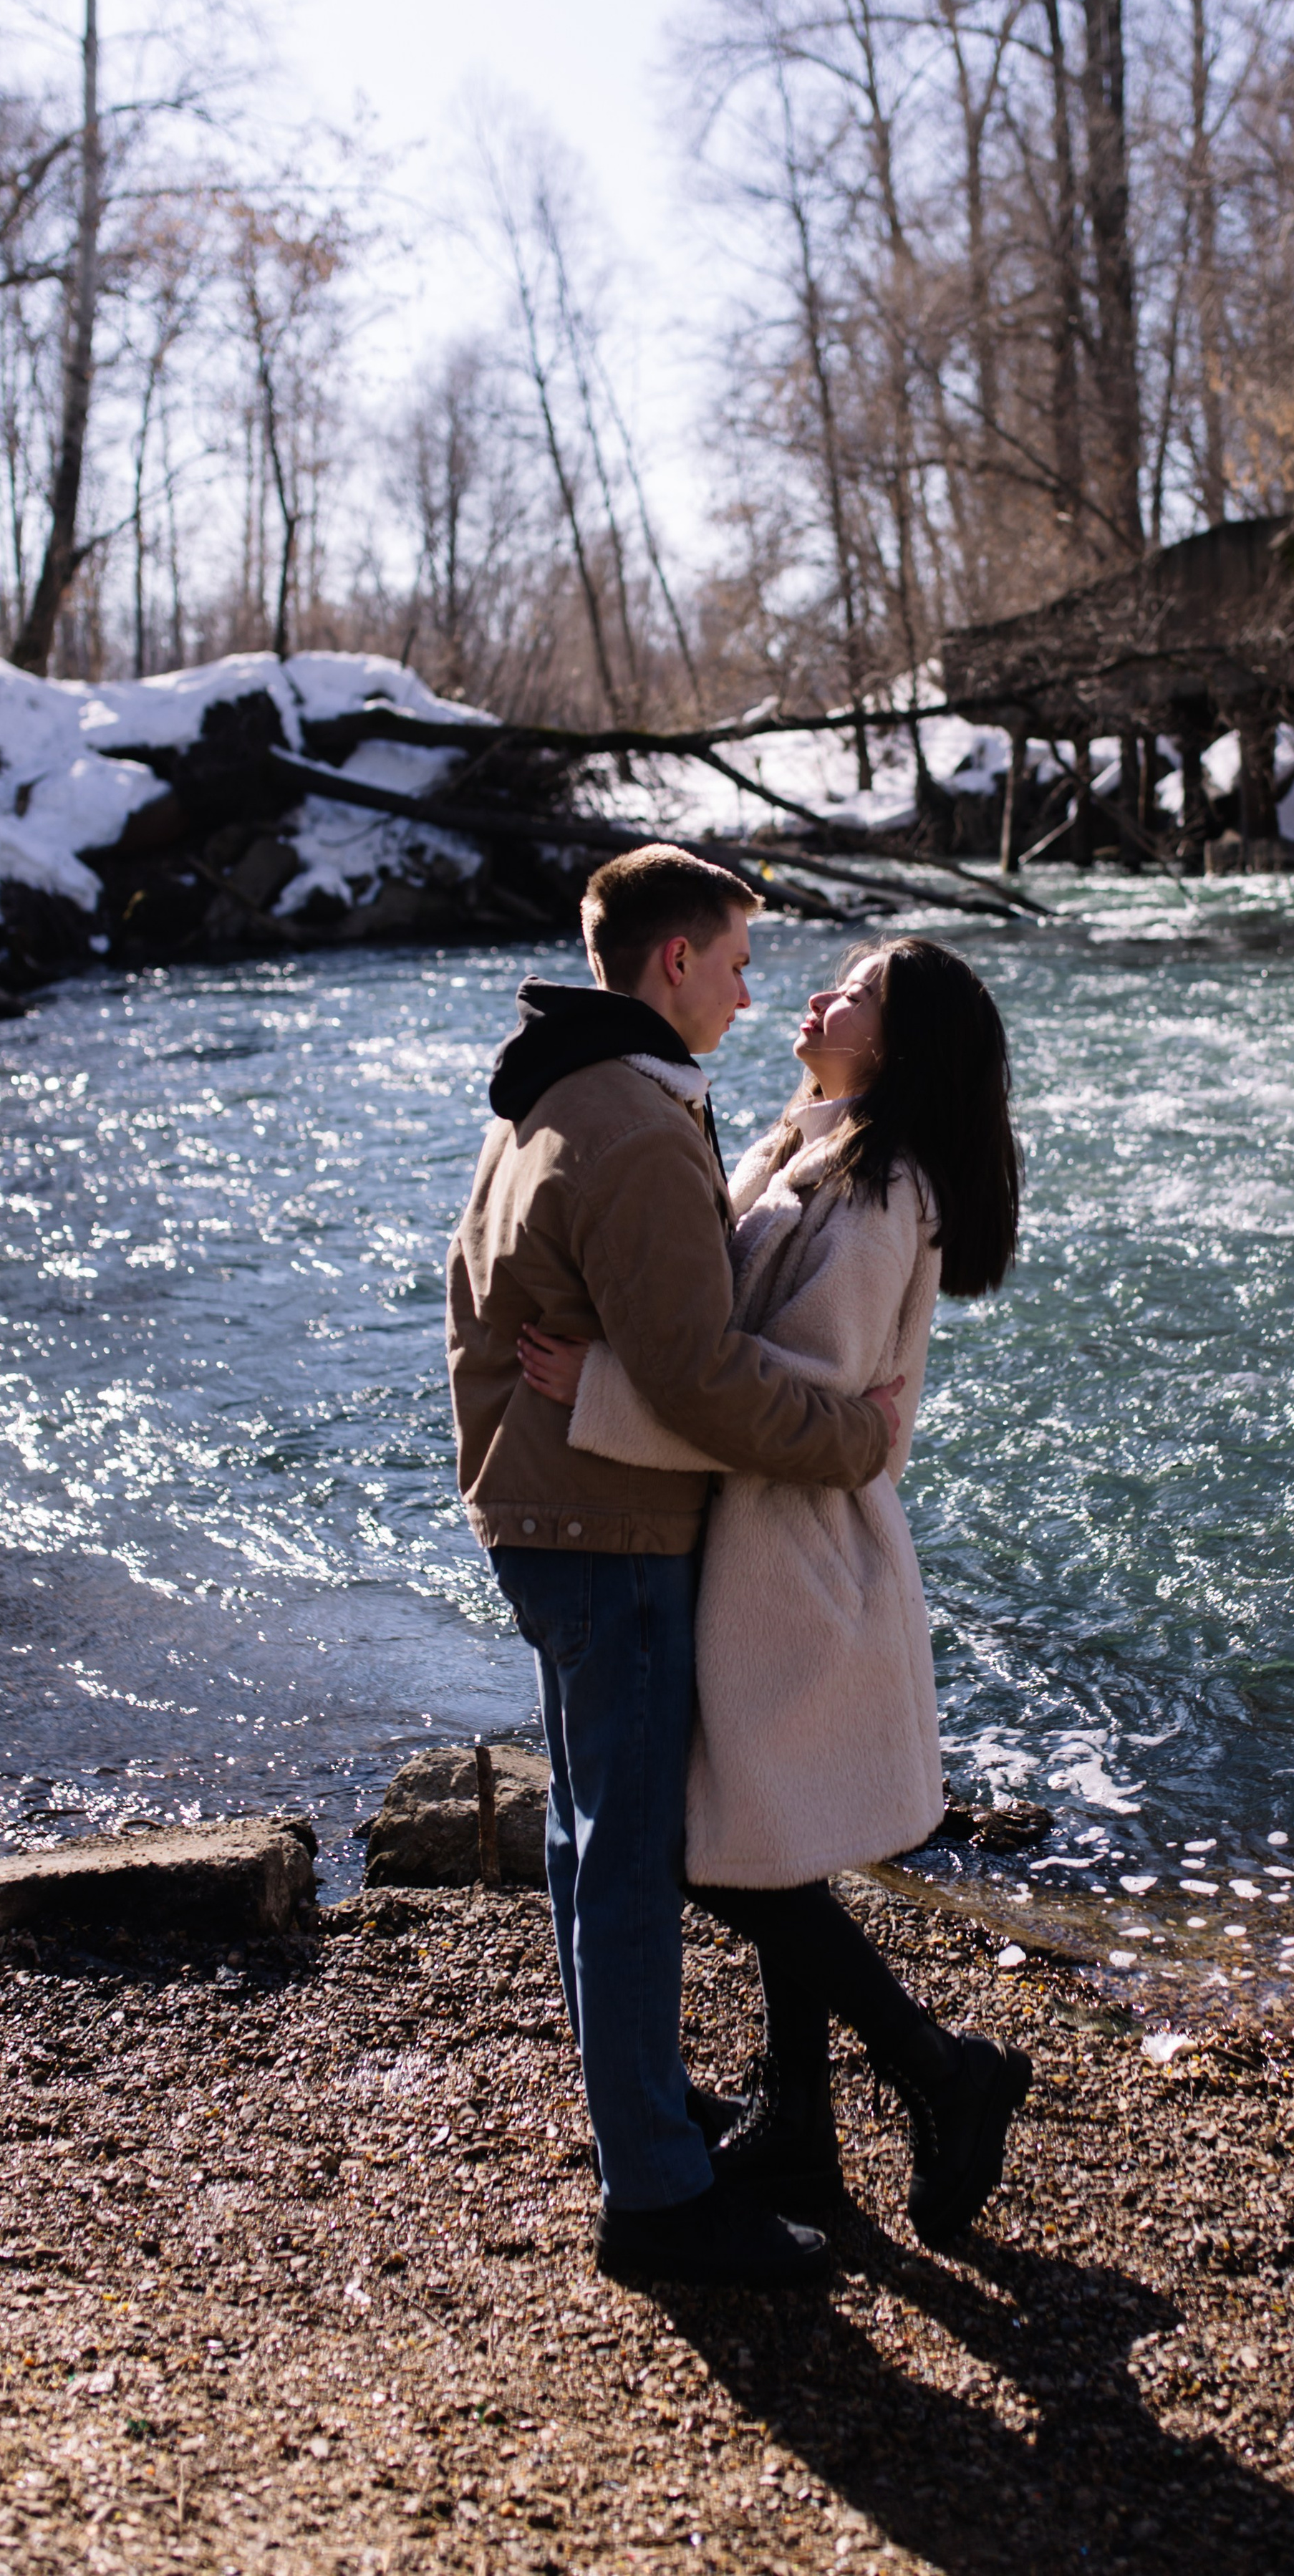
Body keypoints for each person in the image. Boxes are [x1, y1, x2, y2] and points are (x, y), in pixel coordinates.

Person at [518, 936, 1030, 2246]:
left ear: (901, 1043)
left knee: (723, 1853)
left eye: (855, 991)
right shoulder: (811, 1142)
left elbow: (793, 1404)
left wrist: (610, 1397)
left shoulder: (879, 1191)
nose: (816, 995)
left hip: (794, 1559)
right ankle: (799, 2121)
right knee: (775, 1833)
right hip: (756, 1541)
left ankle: (939, 2070)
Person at [445, 845, 902, 2290]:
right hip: (604, 1525)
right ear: (673, 963)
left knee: (592, 1843)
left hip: (549, 1510)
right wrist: (846, 1437)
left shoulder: (556, 1084)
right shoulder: (635, 1127)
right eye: (739, 957)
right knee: (628, 1860)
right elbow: (699, 1379)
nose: (753, 988)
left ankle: (637, 2122)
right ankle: (654, 2200)